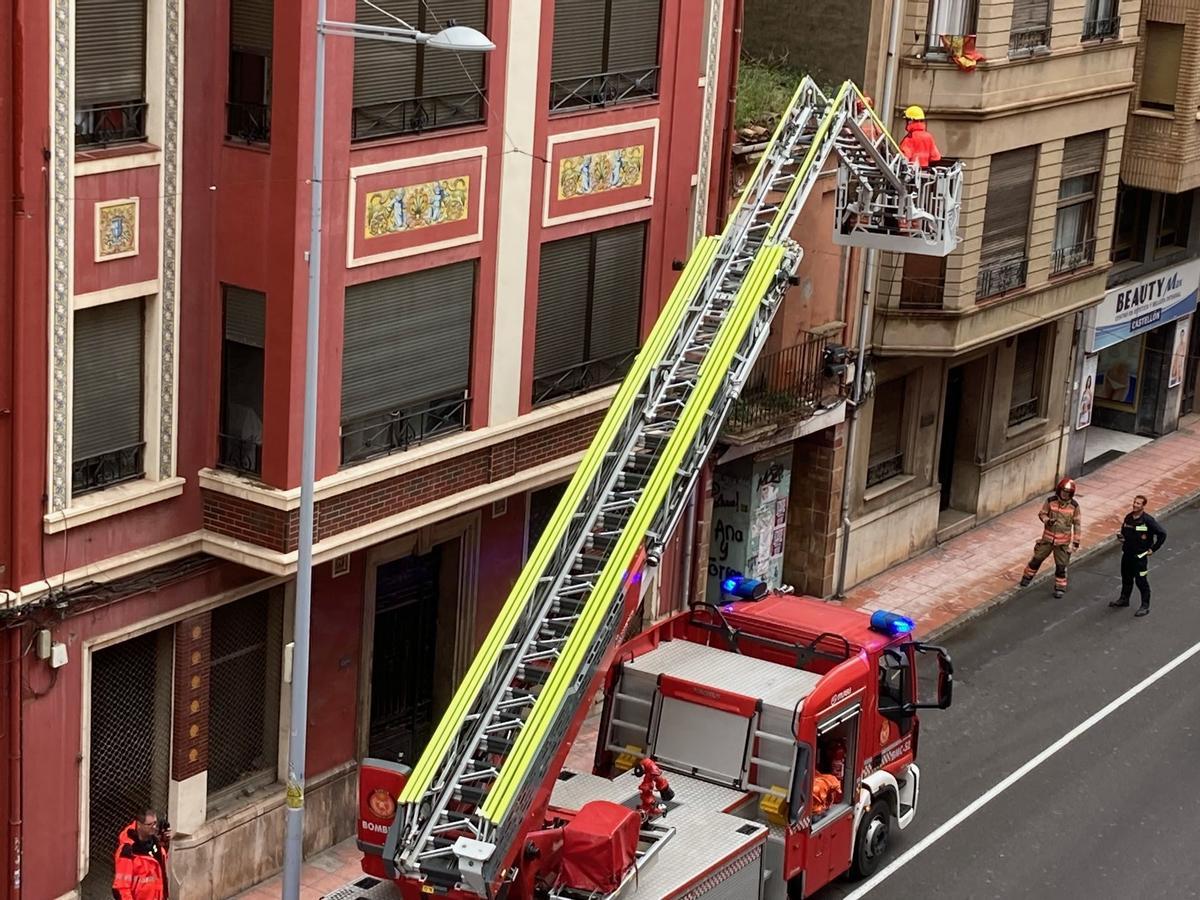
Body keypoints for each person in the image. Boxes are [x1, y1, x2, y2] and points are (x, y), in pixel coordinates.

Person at [1019, 477, 1082, 598]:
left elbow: (1077, 524)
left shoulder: (1074, 506)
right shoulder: (1050, 501)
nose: (1064, 495)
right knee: (1036, 560)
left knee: (1061, 566)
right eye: (1063, 491)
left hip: (1062, 543)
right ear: (1059, 490)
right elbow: (1042, 514)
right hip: (1047, 540)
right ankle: (1027, 577)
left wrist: (1076, 542)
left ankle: (1060, 587)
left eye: (1067, 493)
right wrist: (1047, 520)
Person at [1110, 494, 1166, 617]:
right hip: (1127, 555)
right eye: (1135, 502)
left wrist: (1153, 549)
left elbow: (1162, 534)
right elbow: (1125, 533)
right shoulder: (1129, 518)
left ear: (1143, 506)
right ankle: (1124, 599)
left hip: (1140, 557)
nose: (1135, 505)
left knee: (1141, 581)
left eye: (1138, 503)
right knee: (1126, 578)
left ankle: (1145, 605)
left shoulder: (1148, 521)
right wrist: (1122, 538)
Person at [113, 808, 172, 900]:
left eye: (155, 823)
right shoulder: (127, 851)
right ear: (139, 825)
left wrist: (164, 844)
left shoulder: (155, 842)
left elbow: (160, 867)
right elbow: (121, 888)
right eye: (149, 824)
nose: (154, 827)